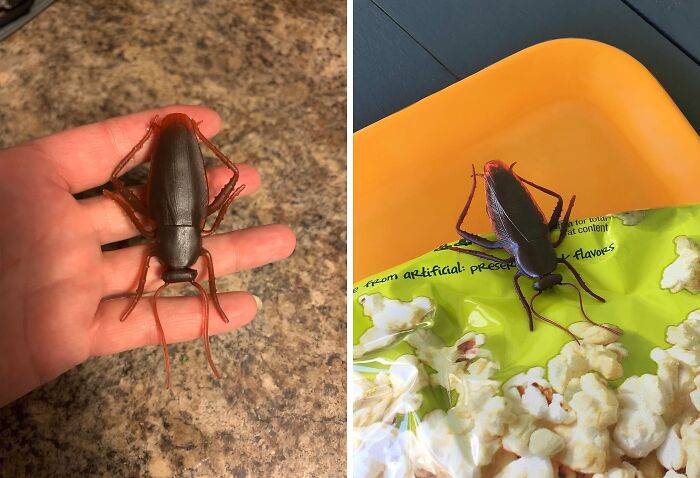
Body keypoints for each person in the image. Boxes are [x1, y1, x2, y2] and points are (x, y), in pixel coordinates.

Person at [0, 106, 296, 406]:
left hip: (181, 178)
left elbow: (119, 181)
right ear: (199, 257)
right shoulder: (194, 230)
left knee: (129, 180)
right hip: (188, 168)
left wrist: (160, 139)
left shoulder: (183, 229)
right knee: (227, 176)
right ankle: (188, 131)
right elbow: (229, 178)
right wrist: (193, 136)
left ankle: (182, 132)